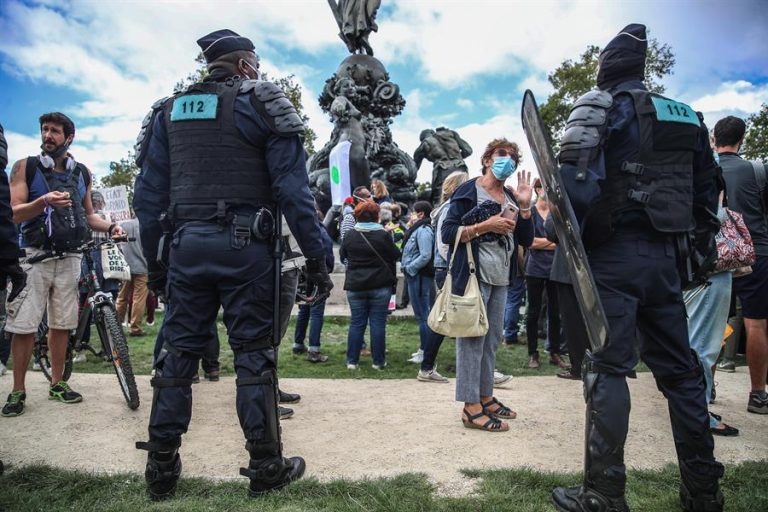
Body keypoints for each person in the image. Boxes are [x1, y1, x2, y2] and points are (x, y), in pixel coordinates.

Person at [132, 30, 333, 500]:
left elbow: (147, 199)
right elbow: (293, 191)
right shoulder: (263, 101)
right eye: (255, 64)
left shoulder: (168, 111)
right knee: (253, 358)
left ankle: (160, 471)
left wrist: (160, 265)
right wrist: (319, 256)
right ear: (244, 66)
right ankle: (266, 467)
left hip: (185, 247)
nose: (258, 72)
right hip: (247, 248)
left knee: (177, 357)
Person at [550, 25, 725, 512]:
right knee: (683, 375)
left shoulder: (602, 105)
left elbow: (574, 186)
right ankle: (704, 492)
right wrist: (688, 255)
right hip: (665, 261)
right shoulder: (686, 117)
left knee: (608, 369)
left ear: (608, 65)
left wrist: (577, 241)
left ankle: (604, 494)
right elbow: (706, 199)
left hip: (613, 255)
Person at [3, 112, 124, 417]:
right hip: (33, 256)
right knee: (24, 326)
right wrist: (42, 202)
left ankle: (57, 383)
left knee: (63, 325)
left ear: (69, 137)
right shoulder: (25, 167)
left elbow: (89, 216)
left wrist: (110, 227)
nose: (48, 136)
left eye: (55, 131)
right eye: (45, 130)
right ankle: (18, 390)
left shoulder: (82, 172)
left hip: (71, 258)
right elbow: (13, 213)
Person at [442, 138, 533, 432]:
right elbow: (447, 232)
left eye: (513, 158)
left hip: (502, 277)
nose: (508, 160)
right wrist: (486, 226)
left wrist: (525, 207)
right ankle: (470, 407)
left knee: (491, 339)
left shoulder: (509, 195)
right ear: (487, 160)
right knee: (472, 339)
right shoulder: (468, 190)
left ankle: (485, 396)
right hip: (473, 275)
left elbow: (526, 240)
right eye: (502, 155)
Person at [713, 116, 768, 415]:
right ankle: (758, 395)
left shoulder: (704, 170)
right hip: (757, 253)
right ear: (741, 140)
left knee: (712, 322)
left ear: (713, 139)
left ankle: (705, 389)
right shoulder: (759, 171)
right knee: (756, 323)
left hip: (716, 256)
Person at [418, 170, 468, 383]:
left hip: (445, 267)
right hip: (448, 268)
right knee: (445, 318)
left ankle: (428, 366)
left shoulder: (444, 209)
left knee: (449, 318)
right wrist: (455, 266)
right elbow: (445, 244)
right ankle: (427, 367)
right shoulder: (449, 210)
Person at [340, 201, 400, 369]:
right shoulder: (383, 235)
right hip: (380, 285)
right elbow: (396, 254)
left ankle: (352, 361)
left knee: (357, 323)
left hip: (355, 285)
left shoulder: (350, 235)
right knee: (378, 323)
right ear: (376, 216)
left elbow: (343, 256)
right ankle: (378, 362)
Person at [524, 179, 567, 370]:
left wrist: (545, 243)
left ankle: (555, 352)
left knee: (555, 312)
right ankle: (533, 352)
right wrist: (552, 243)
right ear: (536, 189)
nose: (543, 191)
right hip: (534, 268)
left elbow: (563, 240)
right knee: (532, 312)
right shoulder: (531, 212)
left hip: (555, 267)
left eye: (546, 187)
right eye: (540, 187)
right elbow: (529, 242)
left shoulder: (556, 212)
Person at [292, 217, 334, 363]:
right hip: (316, 274)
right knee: (316, 312)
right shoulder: (320, 232)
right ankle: (314, 350)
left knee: (303, 309)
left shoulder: (299, 229)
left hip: (303, 273)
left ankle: (298, 344)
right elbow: (327, 253)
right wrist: (327, 272)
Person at [401, 201, 435, 364]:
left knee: (422, 315)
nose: (410, 215)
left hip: (419, 276)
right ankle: (424, 349)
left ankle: (425, 351)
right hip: (417, 275)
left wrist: (409, 268)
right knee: (421, 314)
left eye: (413, 212)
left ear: (421, 214)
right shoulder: (418, 229)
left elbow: (425, 255)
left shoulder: (423, 231)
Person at [413, 127, 473, 205]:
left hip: (442, 170)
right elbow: (468, 150)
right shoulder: (451, 134)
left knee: (440, 200)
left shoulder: (425, 143)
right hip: (460, 167)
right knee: (464, 195)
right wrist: (458, 158)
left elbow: (414, 167)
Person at [116, 215, 149, 337]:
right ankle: (135, 328)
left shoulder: (122, 224)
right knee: (139, 299)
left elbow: (116, 243)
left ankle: (116, 326)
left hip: (126, 265)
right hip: (143, 266)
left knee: (122, 297)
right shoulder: (146, 225)